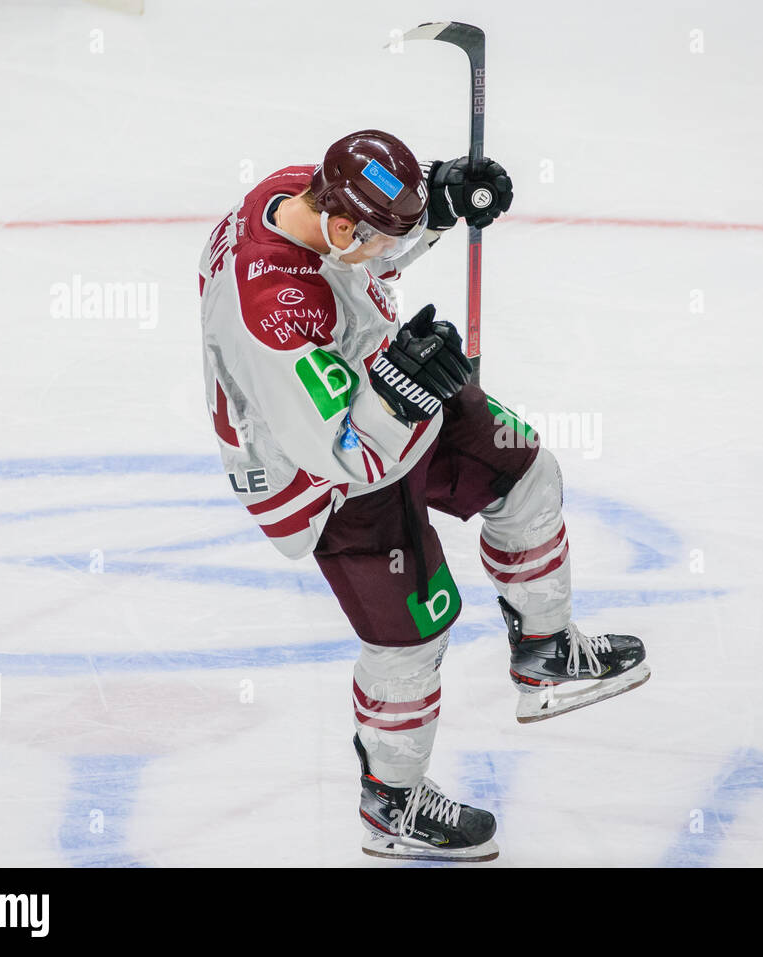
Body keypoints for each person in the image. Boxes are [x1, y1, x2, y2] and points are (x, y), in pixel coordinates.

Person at [197, 129, 649, 861]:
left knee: (525, 472)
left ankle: (546, 651)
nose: (388, 255)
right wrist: (399, 396)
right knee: (414, 630)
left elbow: (370, 252)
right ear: (342, 224)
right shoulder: (274, 308)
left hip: (380, 384)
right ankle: (393, 805)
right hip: (321, 476)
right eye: (379, 239)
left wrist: (438, 198)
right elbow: (343, 453)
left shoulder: (303, 192)